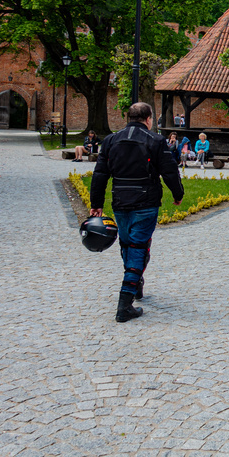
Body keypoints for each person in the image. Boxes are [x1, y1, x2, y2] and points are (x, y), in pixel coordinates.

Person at [90, 103, 184, 323]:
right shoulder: (156, 141)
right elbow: (169, 171)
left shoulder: (111, 140)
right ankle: (125, 303)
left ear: (128, 117)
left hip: (120, 200)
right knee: (138, 246)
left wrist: (96, 203)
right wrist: (177, 194)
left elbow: (100, 174)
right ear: (149, 118)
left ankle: (135, 282)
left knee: (127, 244)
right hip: (146, 201)